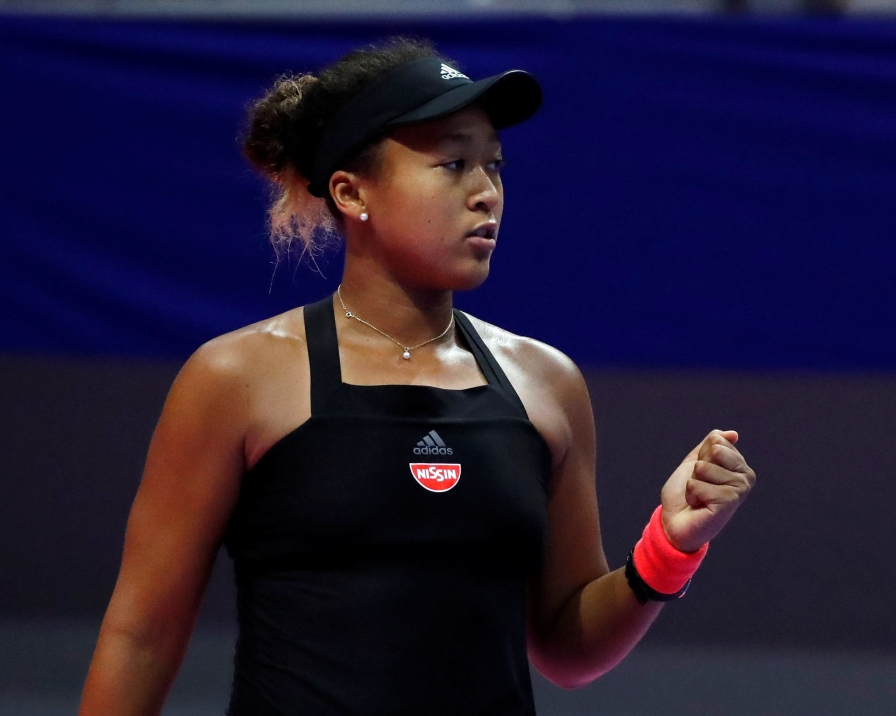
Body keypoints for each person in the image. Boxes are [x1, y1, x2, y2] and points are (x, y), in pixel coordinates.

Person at [78, 37, 756, 716]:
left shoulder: (547, 384)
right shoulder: (235, 378)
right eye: (453, 163)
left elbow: (566, 651)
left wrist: (671, 543)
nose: (486, 193)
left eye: (494, 165)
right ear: (352, 191)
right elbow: (141, 636)